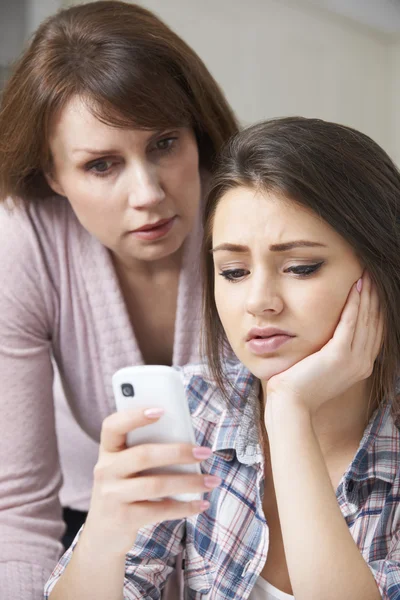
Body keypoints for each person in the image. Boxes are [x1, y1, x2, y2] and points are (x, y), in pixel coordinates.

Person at [45, 117, 400, 600]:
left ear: (381, 270)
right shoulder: (196, 406)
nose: (259, 301)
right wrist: (106, 532)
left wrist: (289, 413)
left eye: (300, 267)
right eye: (233, 271)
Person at [0, 1, 238, 598]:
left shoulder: (253, 212)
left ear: (197, 133)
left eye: (164, 143)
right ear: (53, 174)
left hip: (251, 523)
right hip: (90, 521)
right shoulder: (24, 241)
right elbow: (18, 512)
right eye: (102, 164)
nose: (148, 193)